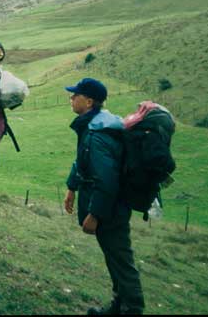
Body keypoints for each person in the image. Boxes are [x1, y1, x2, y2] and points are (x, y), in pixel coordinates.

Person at [63, 78, 145, 315]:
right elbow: (83, 160)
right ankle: (119, 306)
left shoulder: (98, 133)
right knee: (114, 256)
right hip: (111, 205)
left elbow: (106, 178)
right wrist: (72, 187)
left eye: (75, 95)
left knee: (121, 259)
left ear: (88, 101)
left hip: (111, 208)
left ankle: (132, 309)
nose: (71, 98)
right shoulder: (93, 125)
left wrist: (95, 215)